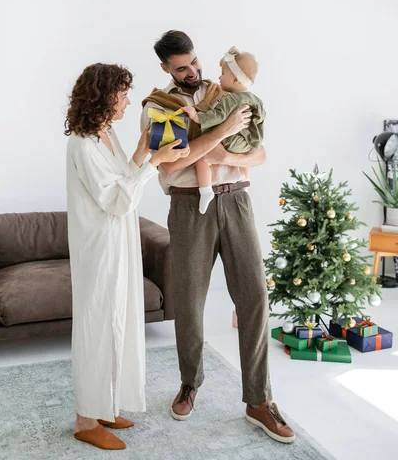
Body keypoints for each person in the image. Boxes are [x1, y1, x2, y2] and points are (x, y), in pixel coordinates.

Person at [140, 31, 295, 444]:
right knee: (188, 300)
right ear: (165, 69)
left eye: (193, 62)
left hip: (237, 200)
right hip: (190, 207)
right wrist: (224, 129)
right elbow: (172, 168)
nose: (192, 71)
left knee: (256, 296)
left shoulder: (225, 89)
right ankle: (190, 383)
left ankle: (258, 401)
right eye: (181, 67)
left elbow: (260, 153)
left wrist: (225, 154)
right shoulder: (159, 106)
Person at [65, 63, 189, 451]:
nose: (128, 101)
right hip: (100, 249)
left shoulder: (105, 134)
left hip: (119, 244)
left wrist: (142, 151)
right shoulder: (83, 144)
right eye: (122, 94)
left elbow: (125, 177)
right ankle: (86, 419)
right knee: (98, 328)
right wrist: (152, 162)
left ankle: (105, 405)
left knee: (120, 324)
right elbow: (117, 199)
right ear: (104, 96)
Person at [182, 46, 265, 213]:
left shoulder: (230, 100)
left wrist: (197, 116)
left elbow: (216, 116)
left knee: (202, 155)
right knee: (244, 156)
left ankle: (205, 191)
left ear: (235, 80)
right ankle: (246, 181)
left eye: (223, 73)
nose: (219, 77)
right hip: (246, 142)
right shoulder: (255, 99)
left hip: (230, 140)